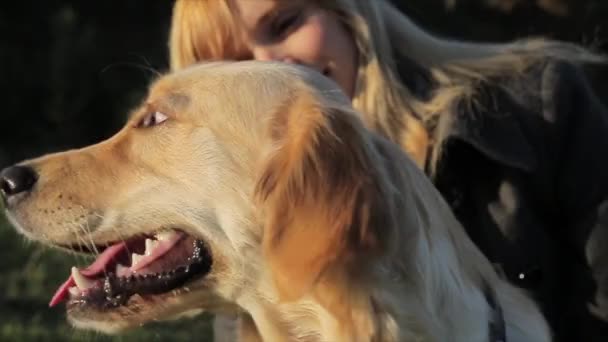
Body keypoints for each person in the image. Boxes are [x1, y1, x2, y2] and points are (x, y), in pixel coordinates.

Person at [168, 0, 608, 340]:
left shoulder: (538, 103)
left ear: (347, 13)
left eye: (285, 24)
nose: (272, 66)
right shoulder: (235, 219)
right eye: (237, 65)